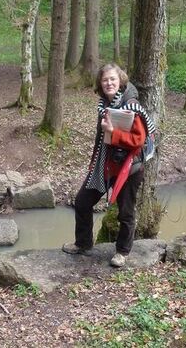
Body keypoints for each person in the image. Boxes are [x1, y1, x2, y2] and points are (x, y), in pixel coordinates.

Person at [62, 63, 154, 267]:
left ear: (120, 80)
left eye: (112, 79)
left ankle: (122, 252)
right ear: (100, 84)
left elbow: (138, 140)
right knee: (83, 202)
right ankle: (83, 243)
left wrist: (113, 132)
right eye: (105, 80)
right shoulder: (104, 104)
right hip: (104, 166)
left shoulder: (131, 105)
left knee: (126, 212)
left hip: (128, 169)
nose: (109, 83)